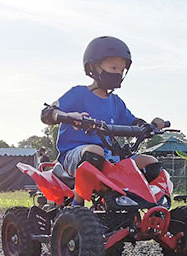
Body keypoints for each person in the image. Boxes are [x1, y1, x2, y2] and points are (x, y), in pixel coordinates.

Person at [40, 35, 166, 205]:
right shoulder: (78, 94)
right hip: (74, 155)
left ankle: (148, 208)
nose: (118, 73)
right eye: (113, 67)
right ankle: (77, 207)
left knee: (151, 163)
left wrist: (150, 125)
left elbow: (133, 122)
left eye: (121, 70)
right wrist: (69, 117)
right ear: (94, 67)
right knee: (95, 151)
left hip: (108, 157)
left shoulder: (116, 102)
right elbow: (48, 113)